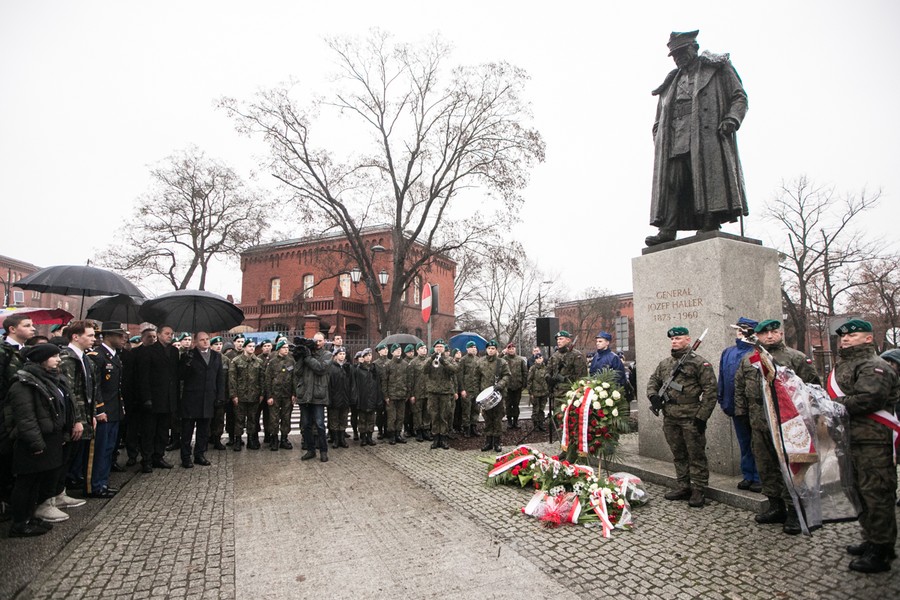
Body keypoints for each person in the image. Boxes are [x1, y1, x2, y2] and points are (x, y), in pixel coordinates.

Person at [645, 30, 749, 246]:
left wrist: (732, 118)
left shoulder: (717, 68)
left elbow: (739, 97)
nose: (678, 57)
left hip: (705, 135)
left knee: (704, 177)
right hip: (674, 139)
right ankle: (668, 228)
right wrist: (658, 137)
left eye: (682, 51)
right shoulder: (671, 82)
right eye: (674, 55)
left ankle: (710, 221)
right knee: (673, 182)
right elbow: (658, 118)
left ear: (694, 47)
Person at [734, 319, 820, 534]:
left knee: (790, 469)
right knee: (766, 466)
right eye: (765, 333)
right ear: (758, 336)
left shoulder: (796, 358)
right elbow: (740, 388)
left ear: (781, 333)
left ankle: (794, 510)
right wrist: (742, 414)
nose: (769, 336)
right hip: (759, 423)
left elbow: (812, 389)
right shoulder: (749, 359)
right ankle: (775, 506)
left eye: (774, 332)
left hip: (788, 425)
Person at [828, 320, 899, 573]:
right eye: (843, 337)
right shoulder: (845, 364)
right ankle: (870, 538)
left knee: (876, 493)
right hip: (850, 438)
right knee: (857, 490)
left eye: (853, 335)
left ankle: (882, 550)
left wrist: (830, 404)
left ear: (868, 339)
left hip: (872, 441)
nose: (845, 340)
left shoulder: (874, 366)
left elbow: (869, 399)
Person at [5, 344, 74, 536]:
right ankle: (19, 523)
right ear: (41, 360)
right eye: (53, 356)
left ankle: (30, 516)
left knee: (37, 483)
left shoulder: (49, 379)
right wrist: (35, 443)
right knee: (26, 483)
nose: (58, 359)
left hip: (49, 437)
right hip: (33, 442)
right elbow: (26, 418)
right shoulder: (23, 384)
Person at [647, 326, 717, 508]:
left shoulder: (699, 363)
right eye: (672, 339)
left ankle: (699, 490)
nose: (674, 341)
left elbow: (711, 391)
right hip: (670, 416)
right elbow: (653, 380)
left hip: (691, 417)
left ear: (688, 339)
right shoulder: (665, 364)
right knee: (678, 453)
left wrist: (702, 417)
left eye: (678, 338)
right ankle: (683, 485)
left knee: (696, 455)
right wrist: (653, 396)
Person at [717, 317, 760, 493]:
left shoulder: (758, 352)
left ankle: (759, 476)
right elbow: (723, 377)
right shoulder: (728, 352)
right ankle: (748, 474)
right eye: (739, 329)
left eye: (744, 329)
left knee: (757, 443)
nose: (740, 332)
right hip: (735, 405)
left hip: (754, 407)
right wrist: (722, 399)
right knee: (744, 442)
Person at [58, 320, 99, 493]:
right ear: (75, 336)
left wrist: (93, 414)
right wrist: (77, 420)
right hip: (74, 419)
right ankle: (57, 493)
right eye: (89, 335)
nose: (94, 339)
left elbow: (90, 391)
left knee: (72, 456)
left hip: (85, 416)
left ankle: (61, 491)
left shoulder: (85, 358)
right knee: (64, 458)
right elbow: (70, 393)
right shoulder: (67, 358)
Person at [87, 322, 127, 497]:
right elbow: (95, 387)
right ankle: (95, 485)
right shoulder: (97, 356)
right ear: (108, 336)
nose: (123, 339)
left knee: (109, 448)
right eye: (120, 336)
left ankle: (102, 482)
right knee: (100, 450)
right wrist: (99, 409)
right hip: (103, 412)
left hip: (114, 409)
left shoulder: (115, 356)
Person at [1, 314, 36, 512]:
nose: (33, 328)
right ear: (12, 329)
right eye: (27, 325)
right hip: (6, 416)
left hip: (24, 414)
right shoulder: (4, 352)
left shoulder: (27, 352)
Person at [135, 325, 179, 473]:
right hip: (153, 398)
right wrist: (146, 397)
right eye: (167, 333)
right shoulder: (149, 351)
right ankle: (146, 459)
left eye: (171, 334)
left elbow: (175, 375)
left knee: (163, 430)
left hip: (168, 398)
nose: (170, 336)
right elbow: (144, 376)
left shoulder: (174, 351)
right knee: (149, 431)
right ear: (159, 334)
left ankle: (158, 456)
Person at [178, 331, 225, 468]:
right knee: (187, 430)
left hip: (208, 398)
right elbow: (180, 376)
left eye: (207, 339)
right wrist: (186, 363)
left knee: (204, 430)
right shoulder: (188, 355)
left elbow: (220, 378)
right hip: (192, 398)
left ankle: (200, 454)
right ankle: (186, 457)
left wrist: (220, 396)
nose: (205, 342)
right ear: (196, 342)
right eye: (202, 340)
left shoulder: (216, 356)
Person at [296, 333, 331, 462]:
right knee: (306, 424)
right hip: (305, 394)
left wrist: (309, 357)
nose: (317, 343)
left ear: (324, 341)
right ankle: (310, 450)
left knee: (320, 424)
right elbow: (297, 372)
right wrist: (301, 356)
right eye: (315, 341)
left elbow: (321, 368)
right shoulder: (306, 354)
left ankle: (323, 450)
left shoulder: (327, 355)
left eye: (320, 341)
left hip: (318, 394)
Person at [422, 340, 459, 450]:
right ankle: (435, 438)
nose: (439, 348)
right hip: (433, 392)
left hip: (445, 392)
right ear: (434, 348)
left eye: (441, 346)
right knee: (434, 415)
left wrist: (443, 361)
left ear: (444, 348)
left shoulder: (449, 359)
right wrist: (432, 359)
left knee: (443, 415)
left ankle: (443, 438)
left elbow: (455, 369)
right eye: (437, 346)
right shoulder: (430, 359)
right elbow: (424, 370)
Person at [477, 340, 511, 453]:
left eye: (493, 348)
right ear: (486, 350)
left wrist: (500, 385)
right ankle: (488, 442)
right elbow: (476, 378)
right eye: (489, 348)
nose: (491, 350)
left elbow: (507, 375)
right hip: (485, 396)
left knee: (497, 418)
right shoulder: (480, 362)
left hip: (498, 394)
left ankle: (497, 442)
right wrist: (477, 394)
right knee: (487, 418)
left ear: (496, 350)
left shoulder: (502, 362)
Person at [229, 340, 263, 451]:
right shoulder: (236, 361)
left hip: (254, 396)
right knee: (239, 419)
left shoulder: (258, 361)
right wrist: (233, 395)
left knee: (252, 419)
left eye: (253, 346)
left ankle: (251, 440)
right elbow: (232, 380)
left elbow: (262, 379)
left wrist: (262, 393)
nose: (252, 348)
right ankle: (238, 440)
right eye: (249, 346)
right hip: (241, 395)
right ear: (244, 348)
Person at [264, 339, 296, 450]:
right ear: (279, 349)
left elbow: (294, 378)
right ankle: (274, 439)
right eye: (284, 348)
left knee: (286, 417)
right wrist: (269, 396)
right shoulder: (272, 362)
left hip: (287, 395)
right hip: (275, 395)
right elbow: (267, 380)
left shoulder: (291, 361)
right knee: (274, 418)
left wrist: (294, 394)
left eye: (287, 348)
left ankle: (284, 439)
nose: (286, 350)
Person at [547, 331, 587, 402]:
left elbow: (581, 377)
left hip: (570, 393)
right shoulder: (554, 356)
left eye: (561, 339)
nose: (558, 341)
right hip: (556, 393)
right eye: (557, 339)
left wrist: (564, 379)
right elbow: (548, 371)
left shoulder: (577, 355)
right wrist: (549, 379)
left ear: (568, 340)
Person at [353, 349, 381, 447]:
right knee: (362, 419)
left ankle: (369, 437)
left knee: (371, 419)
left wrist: (378, 398)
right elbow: (355, 385)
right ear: (363, 357)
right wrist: (356, 398)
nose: (369, 357)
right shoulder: (358, 369)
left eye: (370, 355)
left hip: (372, 397)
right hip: (362, 398)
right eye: (367, 355)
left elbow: (378, 384)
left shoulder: (374, 368)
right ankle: (363, 437)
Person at [382, 344, 409, 445]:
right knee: (392, 417)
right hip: (392, 395)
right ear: (392, 352)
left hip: (402, 394)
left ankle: (398, 434)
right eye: (396, 350)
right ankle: (392, 435)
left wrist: (408, 393)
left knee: (400, 416)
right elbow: (384, 381)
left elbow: (408, 380)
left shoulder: (405, 364)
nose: (398, 351)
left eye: (399, 350)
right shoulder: (388, 365)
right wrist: (386, 396)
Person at [328, 347, 353, 450]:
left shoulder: (348, 368)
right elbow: (329, 385)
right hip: (334, 398)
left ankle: (342, 438)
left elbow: (352, 383)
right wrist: (329, 398)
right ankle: (335, 439)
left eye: (344, 354)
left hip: (345, 398)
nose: (342, 356)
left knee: (343, 419)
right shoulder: (331, 368)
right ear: (336, 356)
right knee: (334, 420)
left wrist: (350, 397)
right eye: (340, 354)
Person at [207, 336, 229, 450]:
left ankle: (217, 439)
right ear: (211, 346)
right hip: (209, 393)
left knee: (219, 418)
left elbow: (229, 378)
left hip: (221, 394)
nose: (219, 346)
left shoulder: (225, 359)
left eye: (220, 344)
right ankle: (207, 438)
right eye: (216, 344)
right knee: (208, 418)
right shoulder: (207, 358)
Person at [457, 341, 481, 438]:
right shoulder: (463, 360)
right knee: (466, 409)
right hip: (467, 389)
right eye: (471, 347)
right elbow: (460, 375)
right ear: (467, 349)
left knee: (475, 409)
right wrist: (462, 389)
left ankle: (473, 427)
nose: (473, 348)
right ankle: (466, 428)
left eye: (475, 347)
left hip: (476, 389)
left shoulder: (478, 360)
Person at [407, 342, 429, 442]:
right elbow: (410, 380)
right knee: (417, 413)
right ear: (417, 350)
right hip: (417, 392)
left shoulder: (429, 361)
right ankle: (418, 431)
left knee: (427, 412)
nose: (424, 350)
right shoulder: (413, 363)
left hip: (428, 391)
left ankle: (426, 430)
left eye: (425, 348)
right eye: (421, 348)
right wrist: (411, 394)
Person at [502, 343, 528, 430]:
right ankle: (509, 421)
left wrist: (524, 384)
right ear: (507, 350)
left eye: (513, 348)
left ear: (515, 349)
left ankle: (515, 421)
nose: (511, 350)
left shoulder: (520, 360)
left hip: (517, 386)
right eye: (509, 349)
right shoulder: (504, 359)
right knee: (508, 404)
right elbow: (497, 362)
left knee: (516, 404)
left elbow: (524, 372)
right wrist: (502, 353)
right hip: (507, 386)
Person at [526, 353, 550, 431]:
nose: (539, 360)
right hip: (535, 392)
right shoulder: (533, 368)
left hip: (544, 392)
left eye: (540, 358)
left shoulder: (546, 368)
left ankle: (541, 424)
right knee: (536, 409)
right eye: (537, 358)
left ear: (542, 359)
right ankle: (535, 424)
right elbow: (529, 380)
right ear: (535, 360)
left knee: (541, 409)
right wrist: (530, 392)